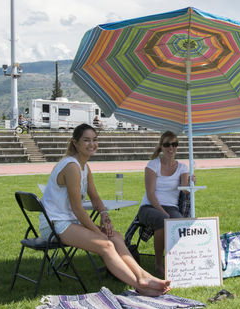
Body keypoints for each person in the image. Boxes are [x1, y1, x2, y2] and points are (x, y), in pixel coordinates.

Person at [39, 123, 170, 296]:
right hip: (55, 224)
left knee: (115, 236)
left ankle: (143, 276)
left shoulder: (84, 166)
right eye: (86, 140)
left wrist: (104, 215)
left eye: (94, 140)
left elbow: (95, 197)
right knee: (106, 245)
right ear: (75, 143)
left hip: (69, 221)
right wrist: (97, 232)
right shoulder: (71, 167)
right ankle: (140, 286)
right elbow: (78, 209)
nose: (91, 144)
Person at [137, 131, 191, 277]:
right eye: (167, 144)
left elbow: (185, 191)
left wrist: (191, 183)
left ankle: (176, 262)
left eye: (174, 144)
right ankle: (158, 264)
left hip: (171, 206)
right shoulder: (153, 164)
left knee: (180, 223)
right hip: (149, 206)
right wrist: (163, 212)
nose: (171, 148)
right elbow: (150, 193)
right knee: (162, 220)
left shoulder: (183, 167)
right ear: (161, 146)